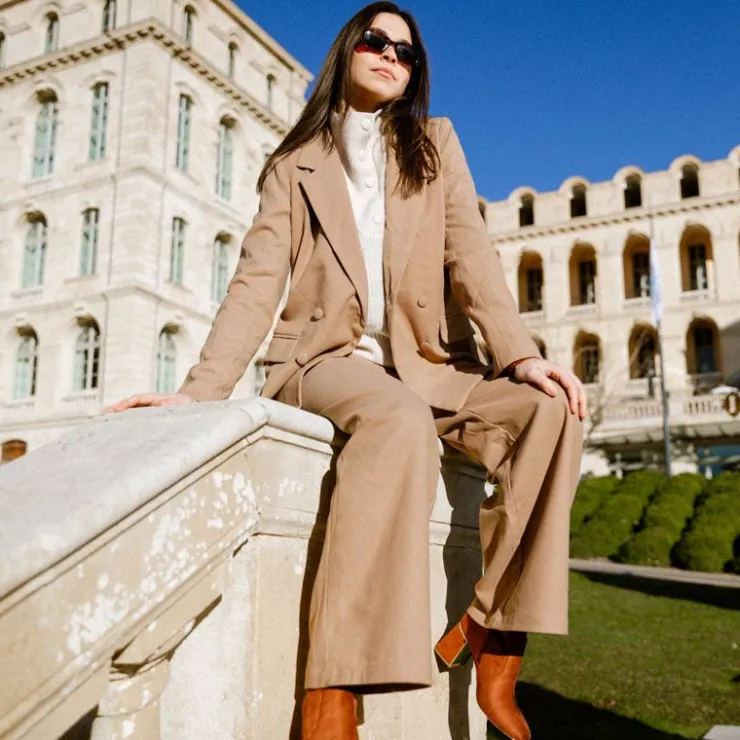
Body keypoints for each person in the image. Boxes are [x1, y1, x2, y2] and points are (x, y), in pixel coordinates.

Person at [106, 3, 586, 738]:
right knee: (395, 419)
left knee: (551, 412)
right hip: (326, 360)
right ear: (347, 51)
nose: (392, 55)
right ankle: (331, 692)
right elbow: (256, 284)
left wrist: (519, 355)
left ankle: (495, 634)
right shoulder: (293, 165)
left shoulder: (434, 146)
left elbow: (472, 255)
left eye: (407, 51)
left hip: (431, 364)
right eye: (376, 41)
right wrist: (198, 395)